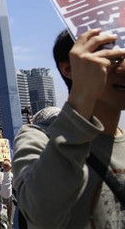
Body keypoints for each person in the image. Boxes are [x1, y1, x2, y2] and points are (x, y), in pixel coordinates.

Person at [13, 28, 125, 228]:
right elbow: (40, 213)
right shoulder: (38, 139)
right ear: (69, 69)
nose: (123, 66)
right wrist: (82, 98)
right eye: (112, 58)